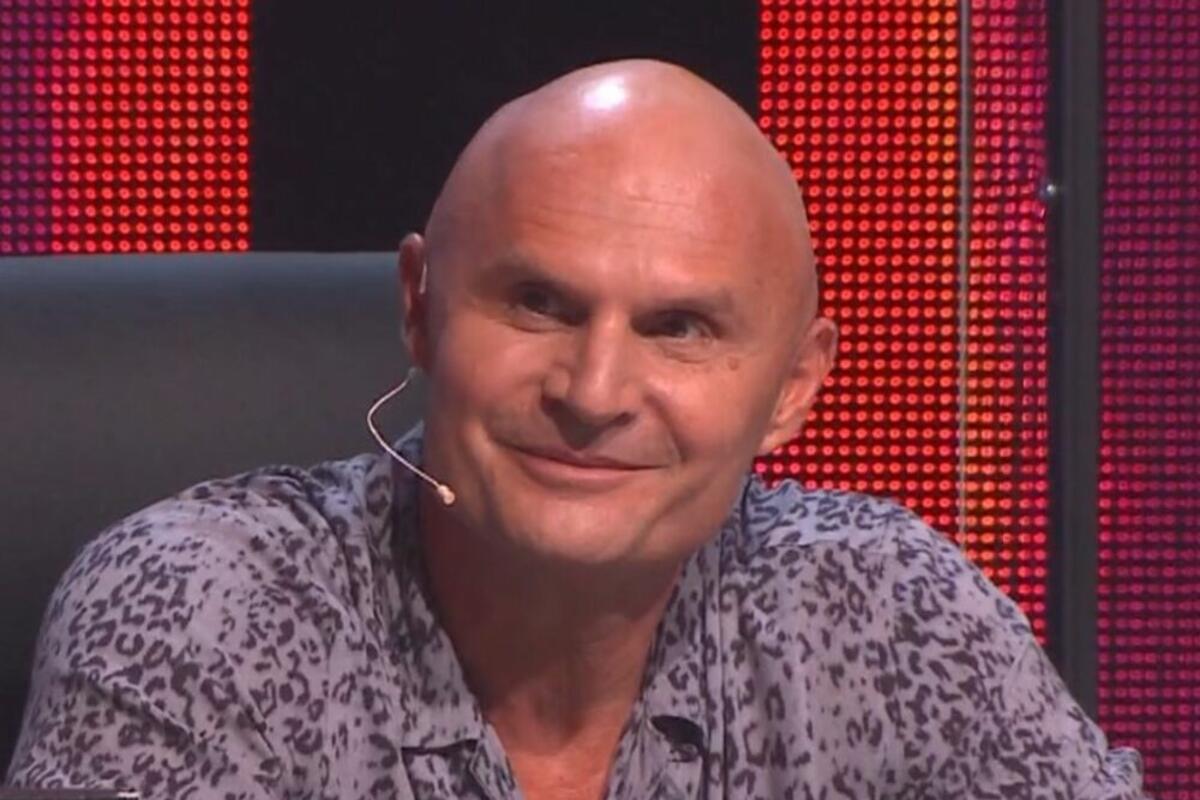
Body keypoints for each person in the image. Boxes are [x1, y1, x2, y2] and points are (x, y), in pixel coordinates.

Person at [7, 60, 1147, 799]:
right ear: (419, 308)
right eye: (539, 303)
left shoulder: (889, 606)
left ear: (794, 388)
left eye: (679, 328)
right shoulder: (199, 609)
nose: (595, 389)